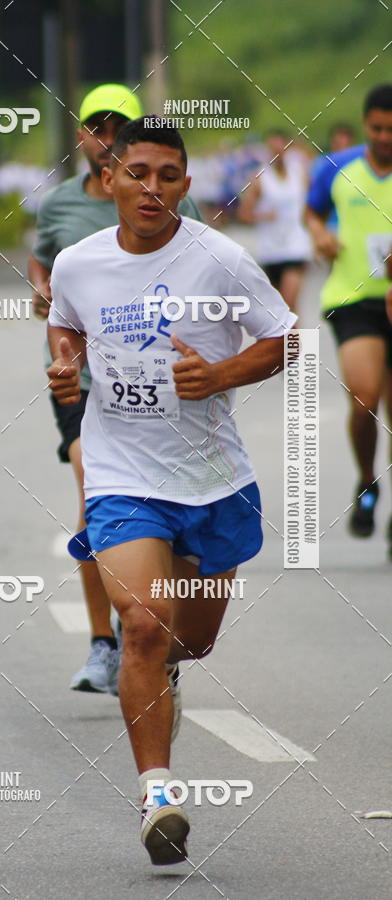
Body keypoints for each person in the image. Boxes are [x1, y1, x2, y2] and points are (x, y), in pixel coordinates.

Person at [47, 117, 295, 864]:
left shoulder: (220, 260)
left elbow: (284, 338)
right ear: (110, 179)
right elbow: (67, 326)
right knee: (145, 626)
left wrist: (219, 375)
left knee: (194, 638)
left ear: (186, 184)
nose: (151, 188)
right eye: (138, 173)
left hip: (214, 481)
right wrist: (65, 364)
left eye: (168, 176)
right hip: (124, 474)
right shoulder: (77, 264)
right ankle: (158, 797)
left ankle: (164, 672)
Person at [29, 85, 203, 695]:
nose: (104, 139)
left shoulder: (167, 200)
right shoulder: (58, 207)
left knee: (170, 508)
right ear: (81, 136)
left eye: (116, 128)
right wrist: (45, 297)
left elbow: (202, 268)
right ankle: (106, 642)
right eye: (94, 128)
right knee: (92, 486)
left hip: (159, 385)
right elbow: (41, 264)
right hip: (81, 382)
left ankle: (155, 630)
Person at [306, 84, 392, 550]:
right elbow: (312, 212)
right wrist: (320, 234)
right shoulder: (336, 168)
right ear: (365, 124)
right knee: (364, 398)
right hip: (354, 297)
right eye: (376, 128)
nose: (384, 137)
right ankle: (366, 479)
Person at [238, 129, 312, 319]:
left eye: (281, 149)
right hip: (271, 250)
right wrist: (262, 216)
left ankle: (304, 350)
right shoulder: (260, 178)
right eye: (273, 150)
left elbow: (313, 205)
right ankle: (283, 349)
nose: (277, 154)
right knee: (278, 311)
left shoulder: (300, 173)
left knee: (292, 303)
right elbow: (244, 214)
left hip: (297, 246)